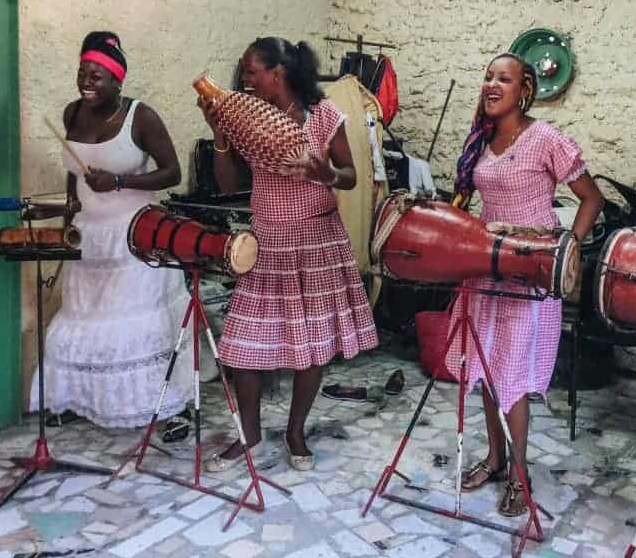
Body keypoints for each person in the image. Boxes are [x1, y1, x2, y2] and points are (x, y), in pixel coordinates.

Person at [198, 36, 378, 472]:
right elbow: (226, 185)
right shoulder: (247, 118)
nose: (244, 79)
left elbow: (352, 176)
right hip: (268, 243)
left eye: (251, 71)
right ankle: (251, 432)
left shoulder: (322, 115)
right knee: (241, 346)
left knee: (312, 347)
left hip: (317, 244)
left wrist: (326, 172)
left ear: (277, 73)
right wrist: (219, 134)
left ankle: (296, 432)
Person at [448, 53, 605, 516]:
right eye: (488, 77)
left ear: (525, 90)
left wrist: (565, 253)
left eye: (504, 79)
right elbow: (466, 203)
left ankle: (520, 476)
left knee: (512, 376)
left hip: (530, 269)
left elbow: (591, 199)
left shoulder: (546, 139)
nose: (492, 85)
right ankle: (495, 460)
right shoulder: (481, 138)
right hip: (485, 267)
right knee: (484, 367)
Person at [31, 31, 193, 438]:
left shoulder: (142, 116)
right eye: (82, 73)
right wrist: (69, 215)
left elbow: (173, 172)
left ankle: (166, 405)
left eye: (97, 76)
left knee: (134, 323)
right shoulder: (71, 114)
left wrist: (120, 181)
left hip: (135, 236)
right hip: (89, 236)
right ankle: (83, 399)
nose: (87, 82)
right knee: (87, 318)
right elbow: (74, 173)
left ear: (118, 81)